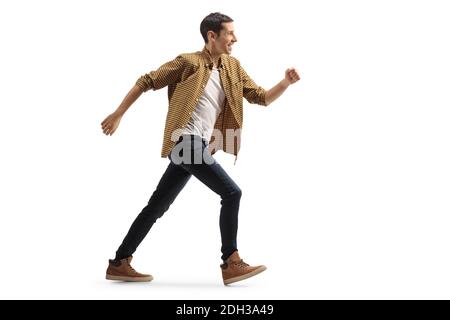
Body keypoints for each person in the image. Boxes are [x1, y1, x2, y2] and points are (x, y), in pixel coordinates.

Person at [101, 12, 300, 285]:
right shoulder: (188, 62)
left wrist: (285, 84)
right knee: (232, 192)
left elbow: (261, 97)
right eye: (230, 33)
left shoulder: (232, 67)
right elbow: (146, 80)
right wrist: (118, 113)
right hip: (184, 140)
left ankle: (119, 262)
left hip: (195, 146)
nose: (235, 38)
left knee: (156, 206)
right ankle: (231, 261)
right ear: (212, 36)